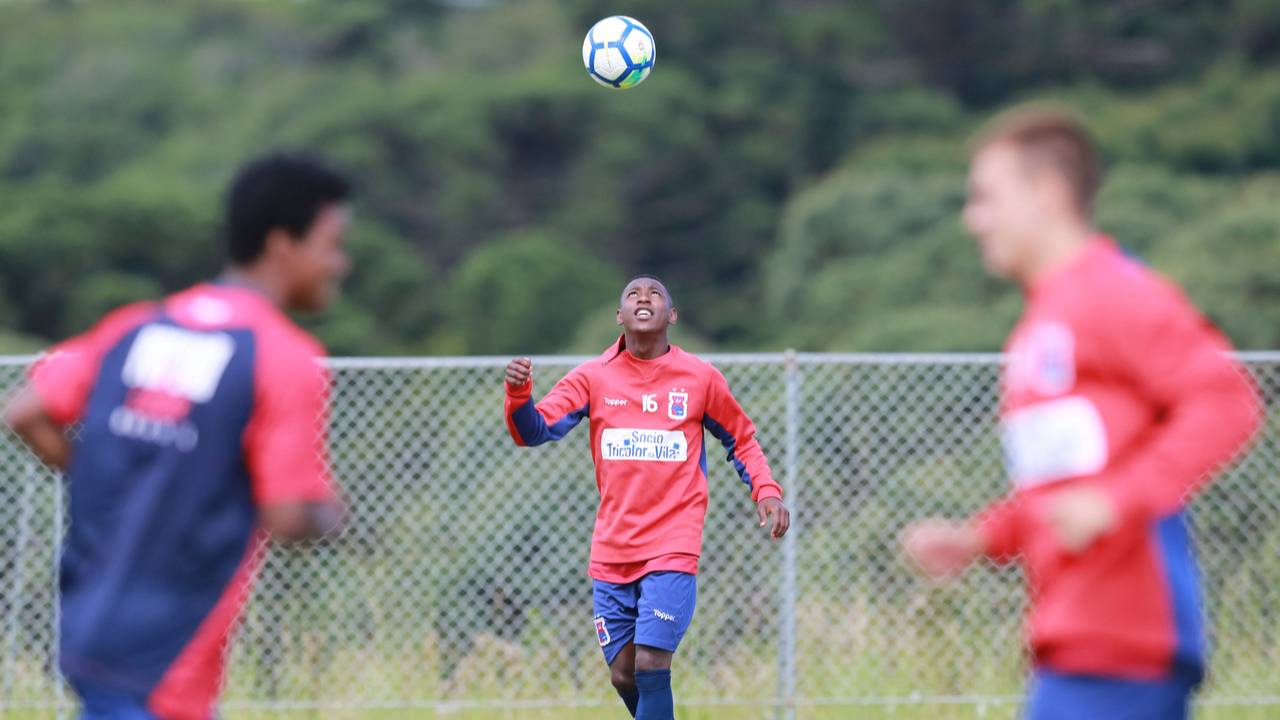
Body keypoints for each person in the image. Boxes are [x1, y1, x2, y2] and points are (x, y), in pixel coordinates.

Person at [901, 106, 1262, 719]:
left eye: (987, 197)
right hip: (1075, 644)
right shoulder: (1036, 328)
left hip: (1125, 645)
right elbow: (1060, 495)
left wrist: (1117, 500)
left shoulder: (1110, 292)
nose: (973, 218)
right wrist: (977, 538)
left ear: (1047, 193)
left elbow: (1227, 401)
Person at [4, 153, 352, 720]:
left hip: (88, 629)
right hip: (168, 662)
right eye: (332, 244)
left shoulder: (136, 326)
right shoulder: (283, 356)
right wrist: (336, 518)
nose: (340, 263)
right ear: (283, 243)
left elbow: (24, 412)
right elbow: (290, 514)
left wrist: (96, 474)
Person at [503, 275, 790, 720]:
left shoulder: (699, 378)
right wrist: (518, 394)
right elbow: (532, 431)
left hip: (673, 545)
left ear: (671, 315)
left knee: (652, 665)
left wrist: (766, 490)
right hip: (613, 550)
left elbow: (742, 439)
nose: (643, 297)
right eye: (633, 294)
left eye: (655, 294)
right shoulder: (593, 377)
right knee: (624, 675)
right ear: (619, 316)